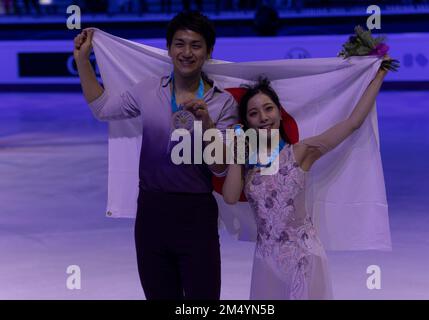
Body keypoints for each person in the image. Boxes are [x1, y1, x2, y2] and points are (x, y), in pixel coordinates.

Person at [73, 11, 238, 299]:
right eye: (179, 43)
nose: (187, 52)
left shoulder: (223, 102)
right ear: (169, 48)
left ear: (209, 51)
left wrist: (207, 124)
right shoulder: (148, 89)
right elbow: (103, 110)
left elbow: (220, 168)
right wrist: (83, 61)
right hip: (151, 212)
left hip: (196, 214)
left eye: (196, 45)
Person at [222, 57, 391, 299]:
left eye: (268, 109)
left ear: (280, 113)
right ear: (247, 123)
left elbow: (352, 123)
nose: (263, 117)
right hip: (266, 262)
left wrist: (380, 74)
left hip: (304, 258)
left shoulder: (300, 152)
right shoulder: (247, 165)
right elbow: (229, 197)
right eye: (254, 113)